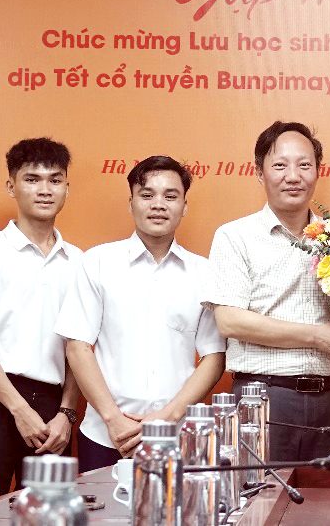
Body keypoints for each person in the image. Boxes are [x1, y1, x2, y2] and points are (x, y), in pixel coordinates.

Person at [203, 121, 330, 461]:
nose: (293, 176)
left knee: (329, 496)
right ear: (259, 173)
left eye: (304, 165)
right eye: (280, 165)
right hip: (263, 399)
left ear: (318, 171)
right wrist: (317, 336)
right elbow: (230, 321)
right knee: (258, 493)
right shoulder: (235, 236)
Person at [56, 155, 226, 472]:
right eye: (147, 195)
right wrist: (114, 420)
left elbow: (214, 356)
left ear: (184, 206)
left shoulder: (204, 273)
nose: (158, 205)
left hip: (177, 436)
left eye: (170, 196)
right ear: (131, 203)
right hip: (106, 436)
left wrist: (168, 417)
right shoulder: (98, 262)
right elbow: (77, 347)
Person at [0, 137, 83, 504]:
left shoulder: (79, 262)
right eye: (32, 179)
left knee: (49, 515)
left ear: (67, 188)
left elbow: (80, 346)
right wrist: (18, 409)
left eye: (55, 180)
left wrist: (67, 413)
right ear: (11, 186)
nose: (45, 189)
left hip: (54, 410)